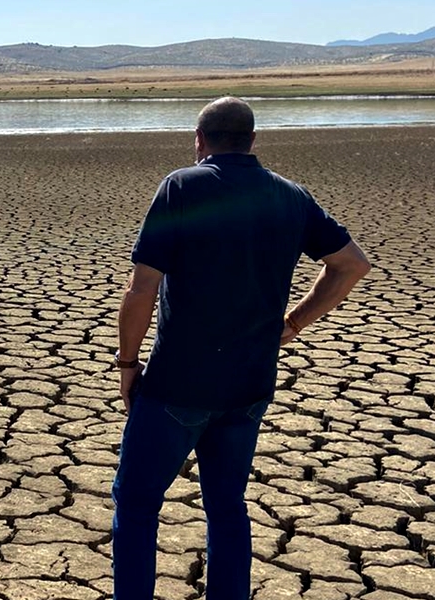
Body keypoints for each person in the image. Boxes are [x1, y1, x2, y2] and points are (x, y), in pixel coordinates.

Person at [112, 97, 371, 599]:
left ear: (199, 140)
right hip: (251, 383)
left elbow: (141, 289)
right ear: (253, 141)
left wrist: (127, 364)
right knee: (227, 504)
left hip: (179, 385)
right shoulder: (290, 195)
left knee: (137, 501)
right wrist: (292, 324)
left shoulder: (181, 186)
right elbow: (351, 264)